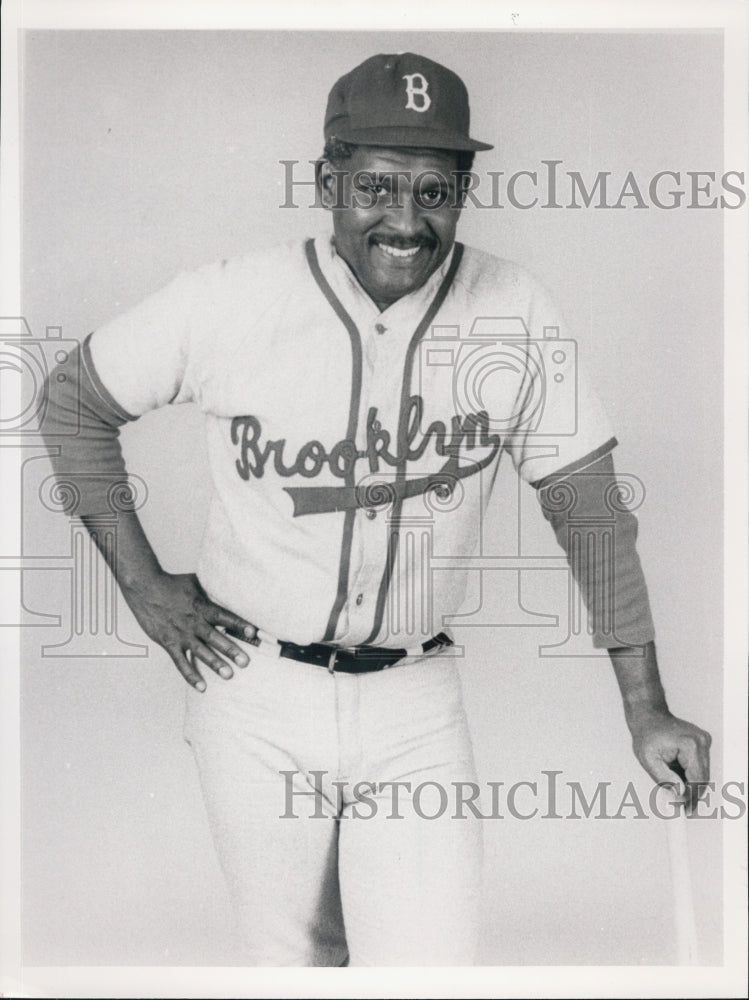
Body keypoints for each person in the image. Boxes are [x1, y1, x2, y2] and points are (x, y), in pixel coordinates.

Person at [42, 52, 711, 966]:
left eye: (435, 190)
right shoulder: (235, 297)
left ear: (465, 189)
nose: (405, 220)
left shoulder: (513, 308)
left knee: (427, 969)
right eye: (377, 186)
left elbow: (591, 512)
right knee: (293, 967)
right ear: (328, 180)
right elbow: (74, 401)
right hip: (254, 693)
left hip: (413, 702)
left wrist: (647, 708)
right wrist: (143, 587)